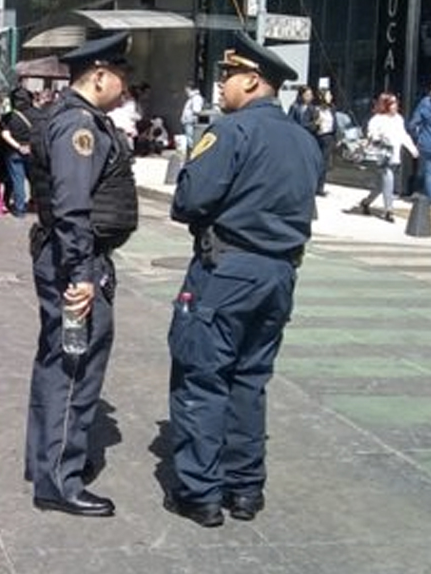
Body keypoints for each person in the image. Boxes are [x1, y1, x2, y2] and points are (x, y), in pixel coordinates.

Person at [164, 32, 323, 527]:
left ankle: (200, 493)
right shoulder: (304, 139)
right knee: (250, 381)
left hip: (227, 270)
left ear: (253, 81)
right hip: (280, 273)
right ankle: (245, 488)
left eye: (229, 75)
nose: (221, 84)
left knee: (202, 377)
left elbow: (189, 201)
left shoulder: (231, 132)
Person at [24, 32, 137, 518]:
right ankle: (59, 480)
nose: (126, 88)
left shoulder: (76, 119)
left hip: (74, 259)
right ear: (100, 75)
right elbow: (73, 208)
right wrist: (82, 274)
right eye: (122, 77)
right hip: (77, 263)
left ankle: (47, 462)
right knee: (75, 365)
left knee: (60, 361)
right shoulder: (79, 127)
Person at [355, 93, 418, 221]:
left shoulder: (399, 119)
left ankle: (366, 202)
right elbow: (371, 134)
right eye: (392, 103)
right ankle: (389, 210)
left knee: (381, 185)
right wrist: (379, 137)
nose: (395, 106)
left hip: (395, 155)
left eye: (396, 103)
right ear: (385, 105)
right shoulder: (377, 119)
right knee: (388, 180)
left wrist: (412, 149)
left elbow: (403, 135)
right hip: (382, 156)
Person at [1, 87, 37, 218]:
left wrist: (18, 146)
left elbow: (5, 135)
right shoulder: (37, 114)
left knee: (18, 180)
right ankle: (35, 203)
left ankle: (19, 208)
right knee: (34, 180)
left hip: (14, 151)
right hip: (33, 151)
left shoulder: (9, 116)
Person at [313, 88, 337, 195]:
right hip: (317, 137)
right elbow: (310, 123)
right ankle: (313, 185)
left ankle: (320, 187)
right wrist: (315, 124)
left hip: (328, 137)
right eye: (328, 95)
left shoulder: (332, 109)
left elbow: (334, 124)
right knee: (316, 162)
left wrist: (335, 137)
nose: (331, 97)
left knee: (324, 163)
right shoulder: (315, 109)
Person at [180, 81, 205, 153]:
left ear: (189, 89)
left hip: (191, 122)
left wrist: (188, 116)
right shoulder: (192, 98)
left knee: (191, 140)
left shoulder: (196, 98)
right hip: (188, 122)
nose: (186, 91)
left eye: (186, 89)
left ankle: (192, 153)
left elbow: (196, 110)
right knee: (189, 139)